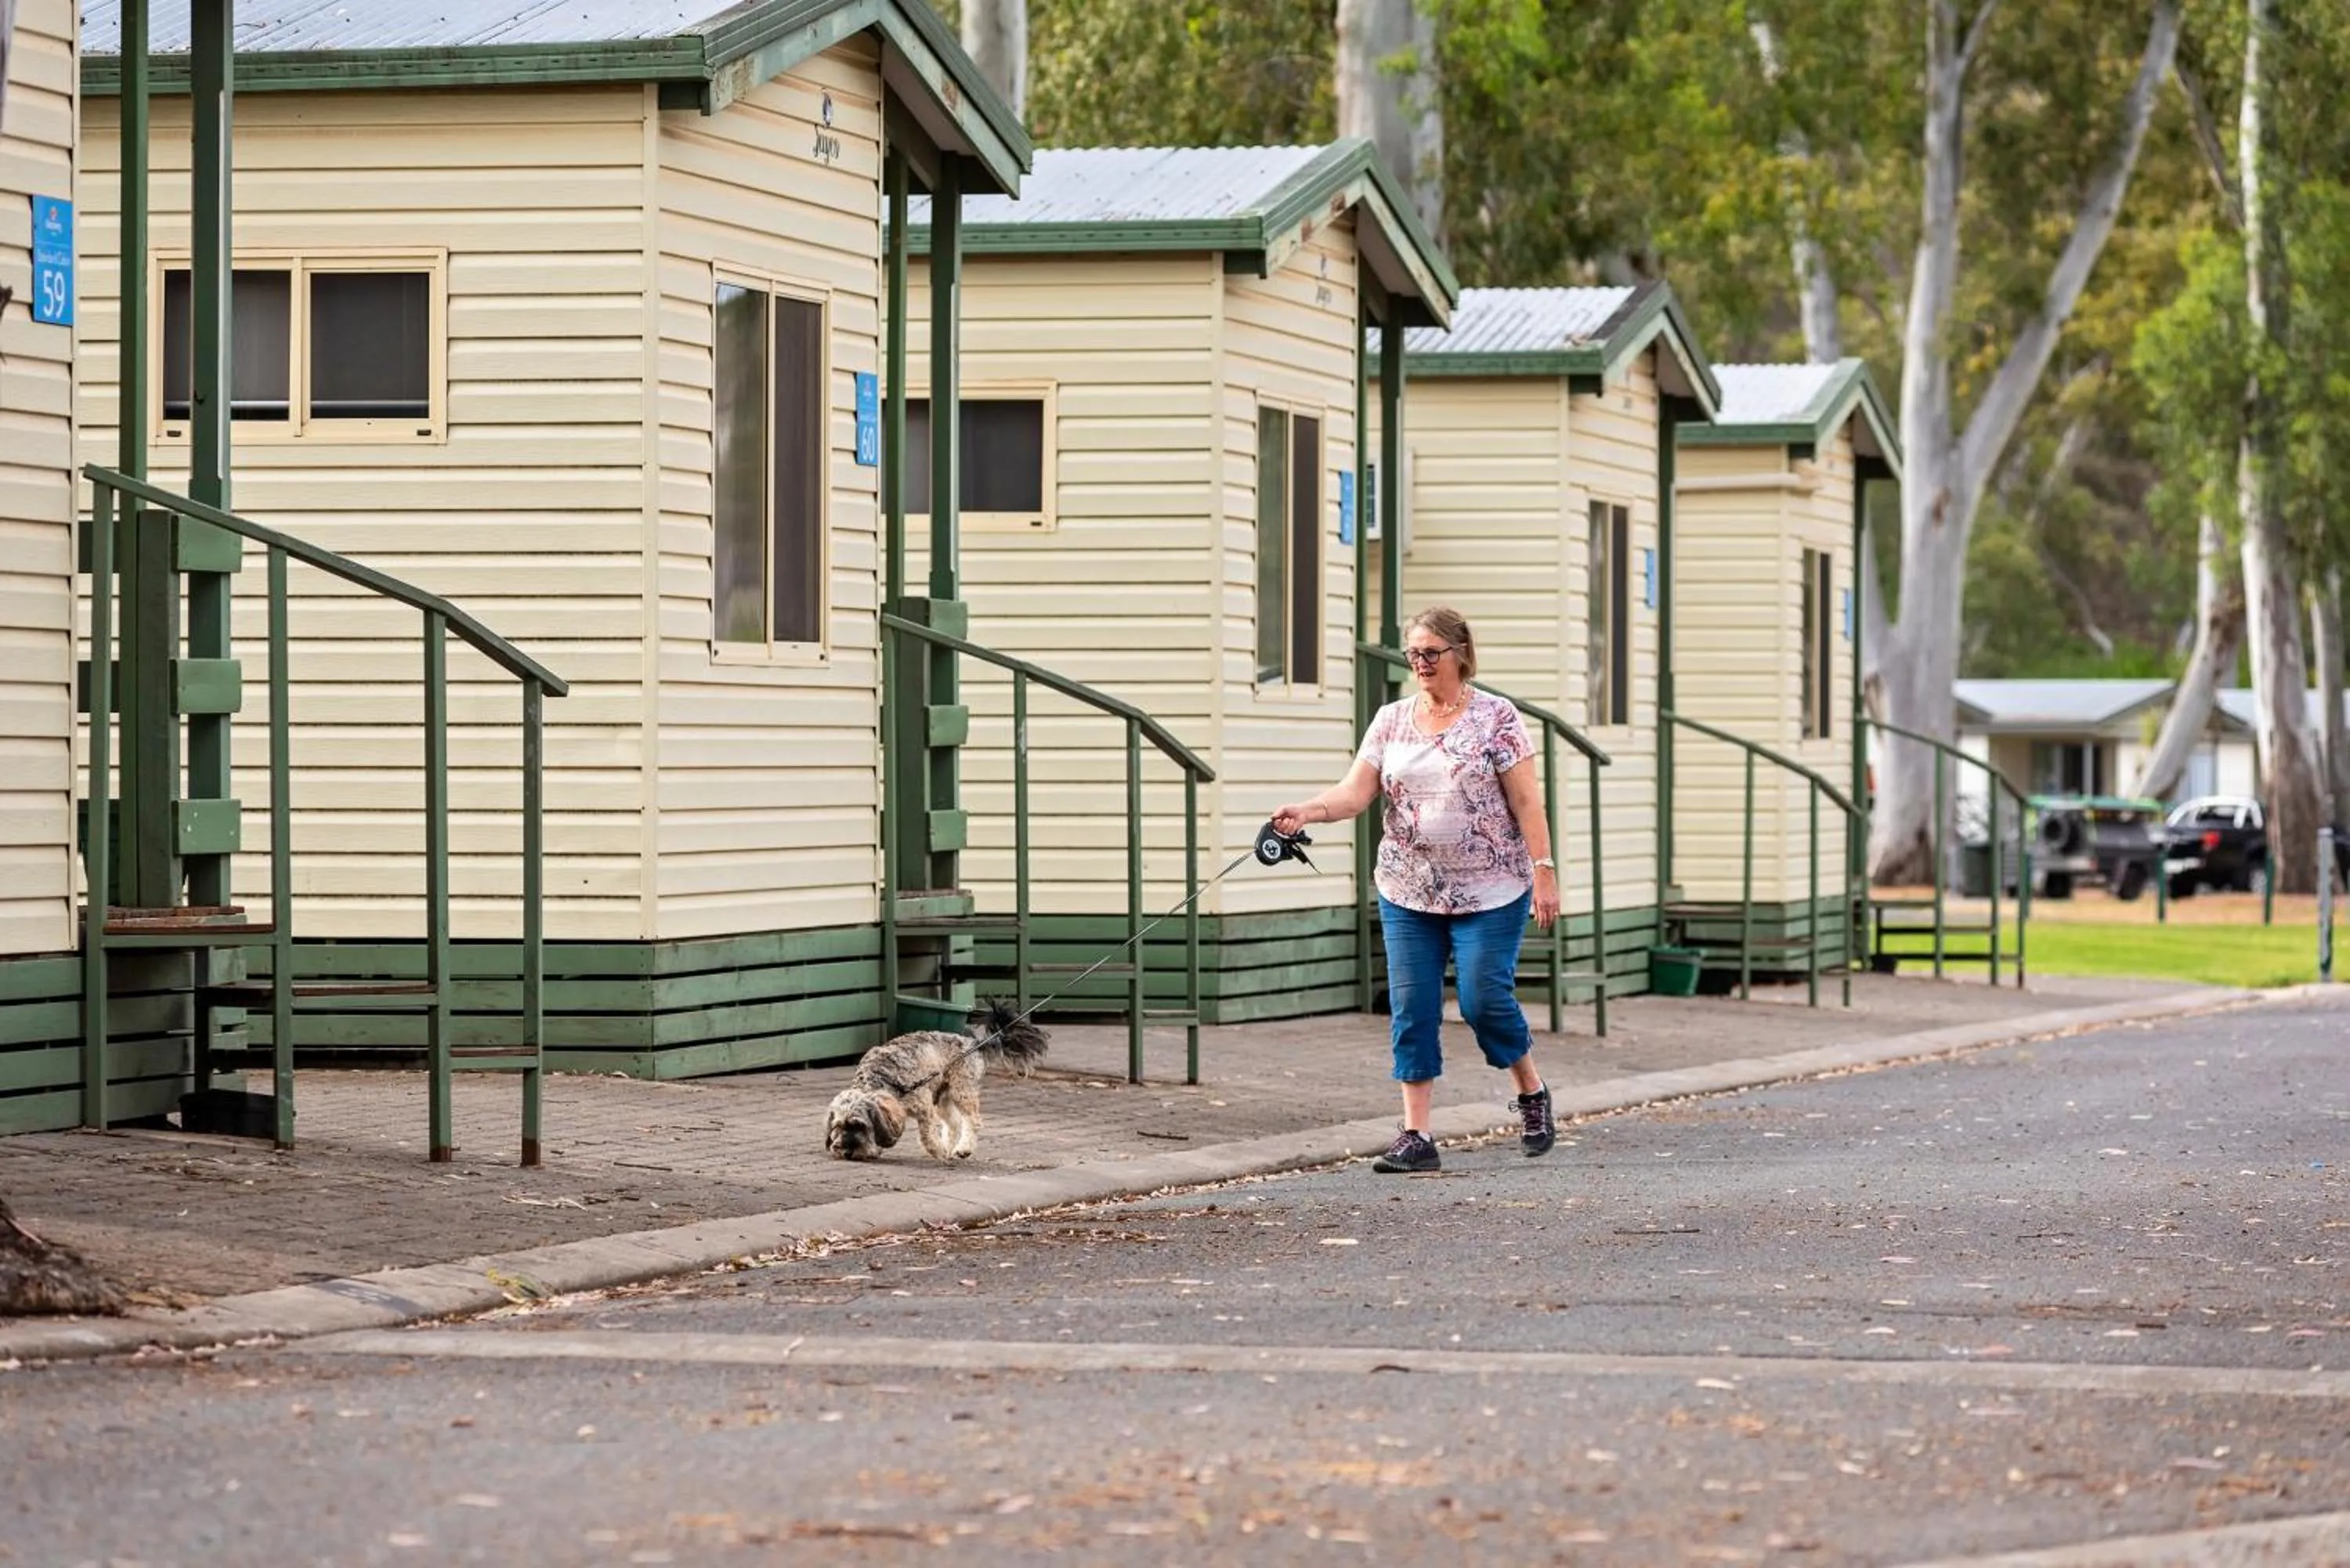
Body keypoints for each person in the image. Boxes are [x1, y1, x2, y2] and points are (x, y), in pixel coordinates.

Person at [1271, 607, 1560, 1173]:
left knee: (1482, 1000)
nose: (1421, 663)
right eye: (1414, 654)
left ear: (1460, 653)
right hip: (1408, 887)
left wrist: (1544, 871)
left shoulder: (1497, 717)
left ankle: (1530, 1090)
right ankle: (1416, 1135)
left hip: (1491, 887)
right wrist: (1307, 811)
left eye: (1431, 653)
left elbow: (1527, 801)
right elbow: (1355, 793)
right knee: (1412, 1007)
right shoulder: (1391, 720)